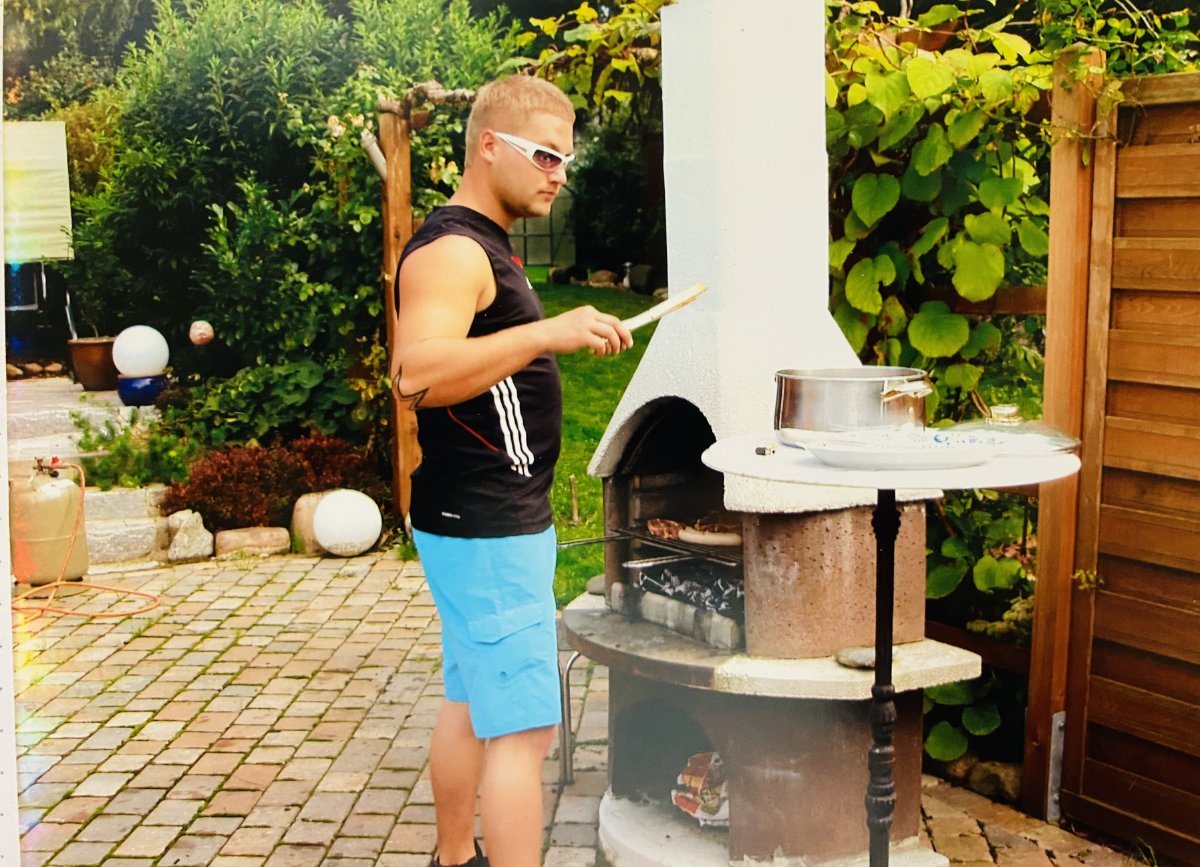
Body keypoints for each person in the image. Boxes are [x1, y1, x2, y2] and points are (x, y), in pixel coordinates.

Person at [390, 74, 634, 867]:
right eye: (545, 154)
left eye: (567, 159)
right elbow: (414, 375)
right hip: (490, 524)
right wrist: (543, 335)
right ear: (489, 145)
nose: (559, 174)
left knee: (470, 698)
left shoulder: (483, 242)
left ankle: (454, 857)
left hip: (475, 518)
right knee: (524, 732)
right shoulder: (456, 251)